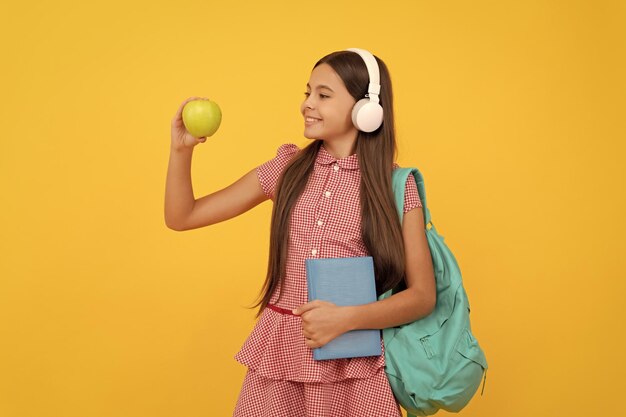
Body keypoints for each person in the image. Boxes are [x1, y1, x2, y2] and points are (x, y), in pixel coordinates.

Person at [164, 48, 436, 417]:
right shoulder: (287, 168)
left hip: (354, 364)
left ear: (365, 109)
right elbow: (183, 216)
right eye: (307, 92)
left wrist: (347, 319)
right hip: (278, 357)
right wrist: (181, 151)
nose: (308, 104)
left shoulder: (395, 186)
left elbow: (422, 297)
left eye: (323, 95)